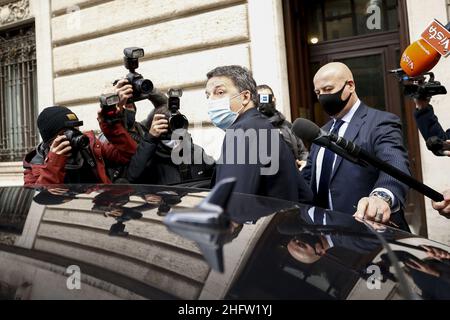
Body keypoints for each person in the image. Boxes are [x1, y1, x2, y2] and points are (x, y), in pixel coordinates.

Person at [302, 62, 411, 230]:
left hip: (370, 236)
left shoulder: (380, 122)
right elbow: (307, 180)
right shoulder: (320, 133)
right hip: (326, 237)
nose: (322, 96)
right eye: (318, 92)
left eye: (328, 89)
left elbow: (395, 165)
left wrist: (381, 198)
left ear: (350, 86)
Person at [205, 65, 313, 203]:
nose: (211, 101)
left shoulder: (243, 130)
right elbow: (304, 194)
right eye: (208, 95)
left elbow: (233, 202)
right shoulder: (261, 125)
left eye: (219, 92)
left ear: (245, 97)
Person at [23, 106, 137, 186]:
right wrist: (54, 164)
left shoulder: (90, 146)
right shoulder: (34, 166)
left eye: (76, 129)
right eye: (68, 132)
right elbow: (40, 202)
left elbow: (129, 155)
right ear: (50, 141)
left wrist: (111, 127)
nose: (76, 135)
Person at [126, 106, 215, 186]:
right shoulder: (148, 157)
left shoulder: (196, 152)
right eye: (166, 128)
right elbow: (133, 177)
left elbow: (218, 175)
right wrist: (151, 139)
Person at [100, 79, 169, 182]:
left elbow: (165, 106)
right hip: (128, 191)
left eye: (129, 105)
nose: (127, 109)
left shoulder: (143, 128)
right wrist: (113, 99)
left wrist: (146, 88)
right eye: (121, 105)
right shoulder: (105, 138)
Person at [256, 84, 309, 169]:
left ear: (274, 99)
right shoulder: (252, 128)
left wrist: (305, 165)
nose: (265, 102)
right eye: (261, 98)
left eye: (267, 97)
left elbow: (302, 152)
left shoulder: (288, 126)